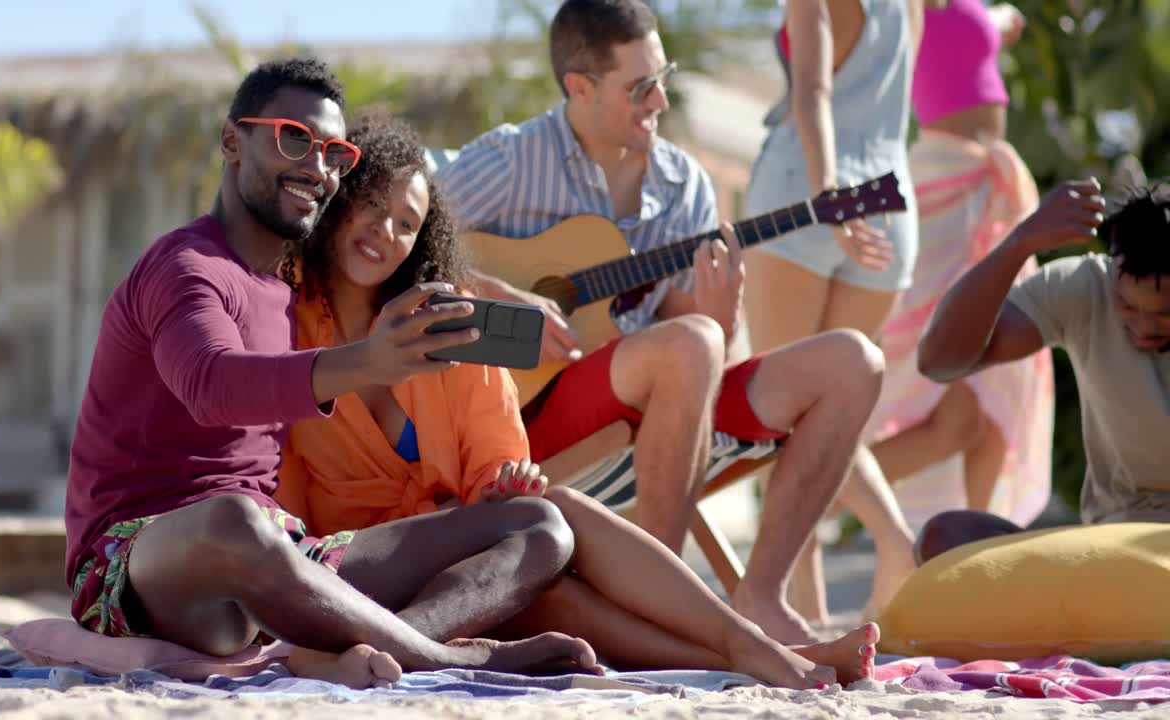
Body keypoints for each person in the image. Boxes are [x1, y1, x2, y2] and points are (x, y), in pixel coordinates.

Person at [277, 109, 880, 689]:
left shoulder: (452, 326)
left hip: (458, 567)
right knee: (542, 552)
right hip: (354, 575)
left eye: (407, 223)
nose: (386, 232)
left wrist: (500, 484)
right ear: (340, 198)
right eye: (373, 207)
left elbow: (492, 459)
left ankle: (753, 651)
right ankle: (765, 652)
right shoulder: (285, 324)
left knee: (553, 542)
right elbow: (279, 496)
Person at [64, 58, 601, 689]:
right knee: (234, 518)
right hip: (135, 563)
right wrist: (368, 361)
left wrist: (486, 293)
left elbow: (384, 250)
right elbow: (214, 385)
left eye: (333, 154)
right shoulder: (186, 269)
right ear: (234, 141)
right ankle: (451, 659)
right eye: (294, 138)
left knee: (539, 524)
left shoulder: (288, 289)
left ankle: (398, 644)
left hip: (279, 556)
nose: (316, 169)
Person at [437, 0, 911, 644]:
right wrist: (499, 293)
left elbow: (692, 327)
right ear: (579, 88)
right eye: (640, 87)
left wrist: (720, 309)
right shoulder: (513, 159)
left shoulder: (682, 180)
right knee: (690, 345)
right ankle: (662, 598)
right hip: (531, 418)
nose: (659, 100)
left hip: (665, 402)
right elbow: (404, 236)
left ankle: (759, 592)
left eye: (663, 77)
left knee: (855, 361)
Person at [739, 0, 925, 628]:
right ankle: (816, 601)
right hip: (890, 205)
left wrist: (827, 196)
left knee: (780, 417)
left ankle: (817, 589)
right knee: (833, 411)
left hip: (807, 197)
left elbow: (814, 90)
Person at [864, 0, 1054, 535]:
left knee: (1000, 387)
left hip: (992, 197)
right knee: (956, 418)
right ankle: (818, 489)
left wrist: (999, 22)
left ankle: (981, 552)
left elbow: (980, 30)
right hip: (944, 187)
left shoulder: (966, 6)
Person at [915, 179, 1169, 561]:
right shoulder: (1084, 288)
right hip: (1112, 555)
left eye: (1165, 314)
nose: (1144, 327)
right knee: (946, 538)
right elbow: (939, 360)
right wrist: (1021, 242)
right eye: (1127, 306)